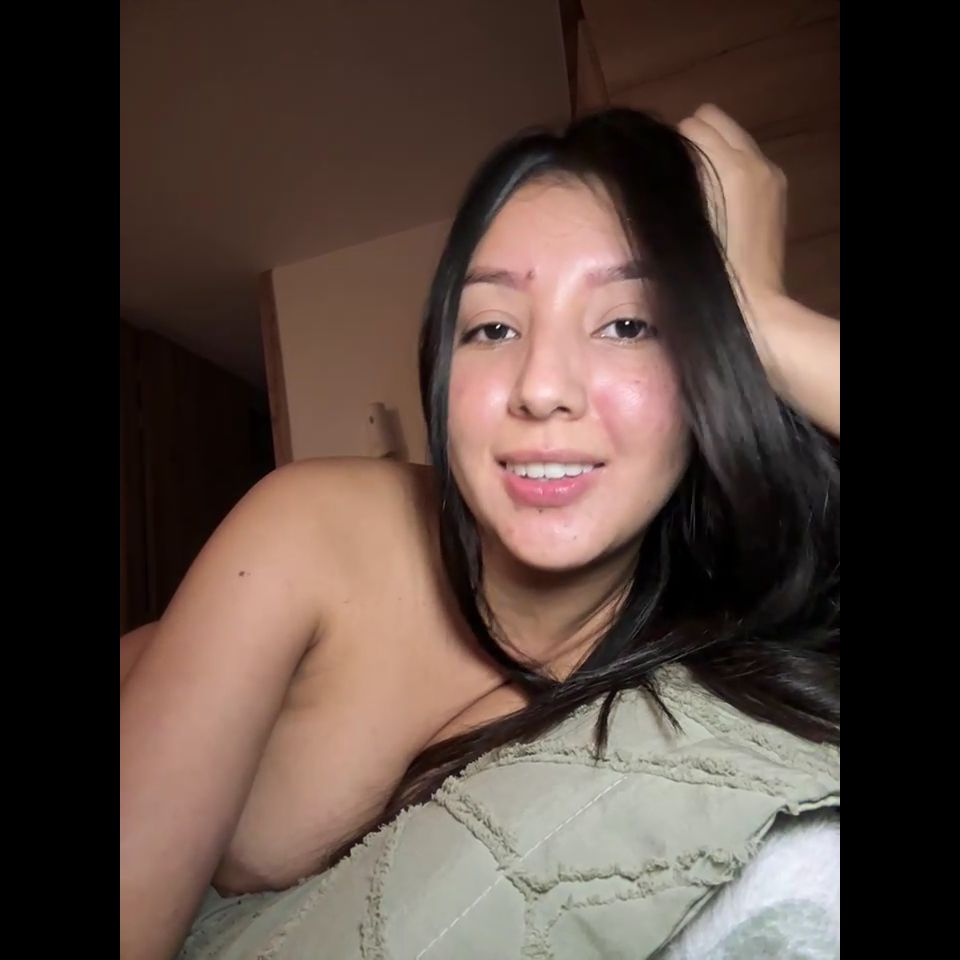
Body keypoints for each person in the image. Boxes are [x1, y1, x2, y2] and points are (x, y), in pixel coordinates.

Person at [120, 104, 839, 960]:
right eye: (493, 327)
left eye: (628, 323)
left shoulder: (717, 617)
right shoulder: (316, 529)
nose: (541, 387)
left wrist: (763, 318)